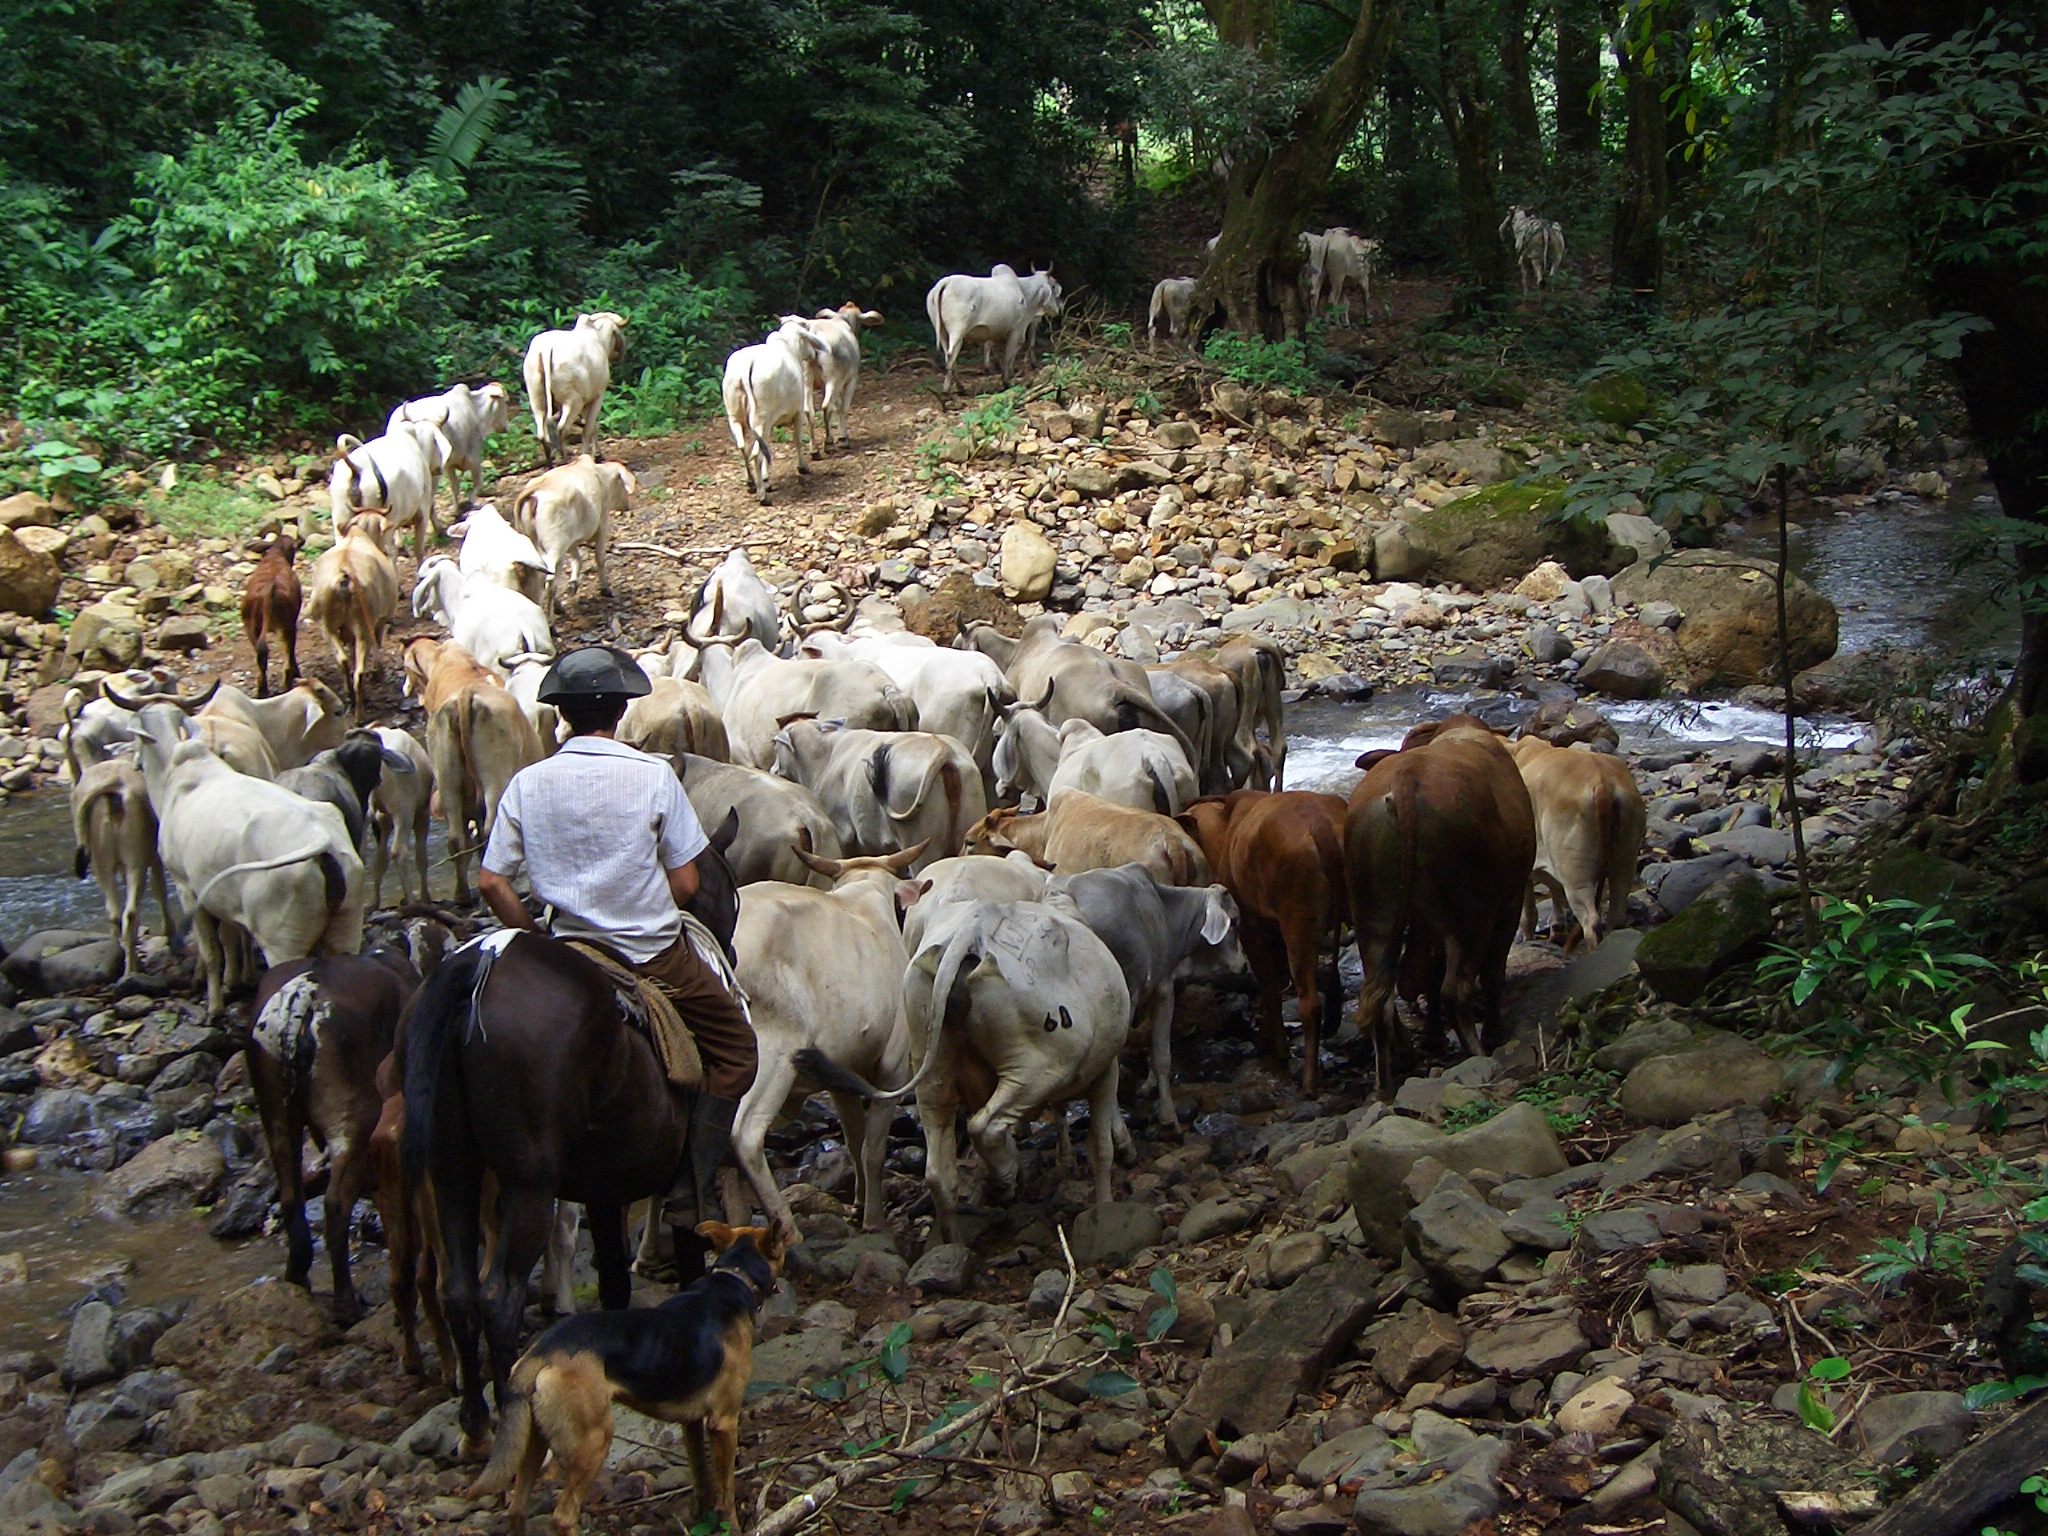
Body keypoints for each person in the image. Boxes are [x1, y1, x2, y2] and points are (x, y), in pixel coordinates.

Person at [477, 644, 756, 1280]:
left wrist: (537, 946)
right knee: (738, 1048)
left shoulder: (528, 781)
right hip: (649, 952)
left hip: (567, 949)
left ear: (562, 718)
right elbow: (687, 886)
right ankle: (689, 1186)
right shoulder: (653, 775)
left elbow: (493, 883)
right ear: (621, 713)